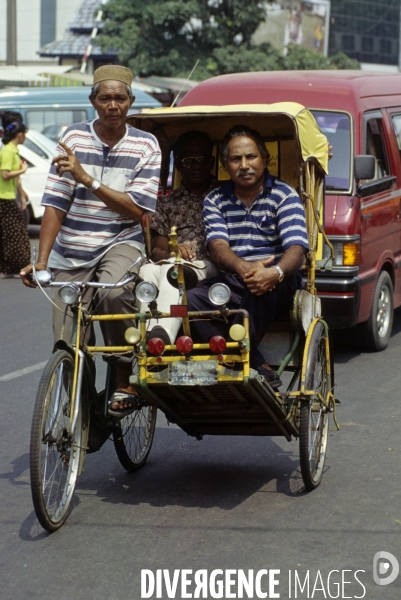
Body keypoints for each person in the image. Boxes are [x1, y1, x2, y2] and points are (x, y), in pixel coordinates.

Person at [20, 65, 161, 416]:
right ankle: (79, 407)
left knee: (114, 293)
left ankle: (122, 379)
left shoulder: (146, 144)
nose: (113, 105)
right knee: (67, 336)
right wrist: (41, 262)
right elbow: (55, 202)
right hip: (73, 248)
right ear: (93, 102)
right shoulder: (73, 138)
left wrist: (88, 178)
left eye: (120, 98)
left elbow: (137, 211)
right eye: (105, 98)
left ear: (130, 101)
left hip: (121, 242)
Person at [186, 125, 309, 388]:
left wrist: (273, 273)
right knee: (191, 300)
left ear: (264, 160)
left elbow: (296, 249)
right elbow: (218, 246)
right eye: (235, 159)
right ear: (225, 165)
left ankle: (237, 358)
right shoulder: (215, 200)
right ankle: (252, 362)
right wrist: (244, 268)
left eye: (251, 157)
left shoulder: (284, 195)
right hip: (236, 278)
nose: (244, 165)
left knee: (259, 285)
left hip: (280, 279)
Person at [139, 131, 219, 344]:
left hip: (211, 263)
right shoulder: (165, 203)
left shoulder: (225, 195)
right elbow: (156, 250)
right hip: (175, 263)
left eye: (202, 160)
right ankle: (147, 336)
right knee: (148, 270)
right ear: (179, 166)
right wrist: (176, 249)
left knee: (174, 270)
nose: (196, 166)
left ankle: (160, 337)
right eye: (188, 161)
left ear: (211, 162)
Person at [0, 120, 31, 278]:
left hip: (9, 196)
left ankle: (13, 266)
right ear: (19, 135)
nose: (25, 136)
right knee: (13, 234)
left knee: (14, 232)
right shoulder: (7, 151)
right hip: (3, 198)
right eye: (24, 134)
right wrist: (23, 170)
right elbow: (5, 174)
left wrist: (22, 193)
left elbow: (15, 178)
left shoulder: (13, 151)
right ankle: (12, 267)